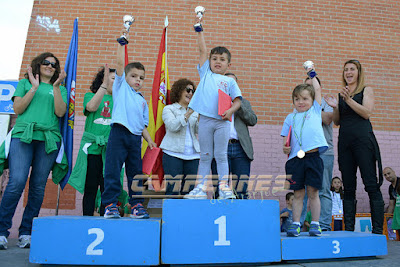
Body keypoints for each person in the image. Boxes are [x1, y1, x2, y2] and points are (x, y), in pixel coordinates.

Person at [0, 52, 67, 249]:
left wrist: (55, 88)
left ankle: (26, 232)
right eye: (46, 63)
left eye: (53, 65)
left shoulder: (59, 89)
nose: (50, 66)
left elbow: (60, 112)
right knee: (17, 182)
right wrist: (34, 88)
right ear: (38, 64)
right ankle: (2, 231)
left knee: (38, 187)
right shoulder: (24, 83)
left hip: (48, 140)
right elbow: (18, 109)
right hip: (23, 136)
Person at [184, 14, 242, 199]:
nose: (217, 61)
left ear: (228, 64)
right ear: (209, 61)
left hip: (222, 122)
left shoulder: (229, 81)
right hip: (206, 121)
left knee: (221, 155)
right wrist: (199, 31)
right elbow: (202, 51)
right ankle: (200, 189)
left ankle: (224, 189)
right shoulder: (206, 74)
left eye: (222, 59)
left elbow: (238, 101)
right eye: (214, 58)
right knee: (205, 156)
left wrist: (230, 111)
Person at [101, 29, 156, 219]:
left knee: (135, 173)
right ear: (125, 77)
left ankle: (136, 205)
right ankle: (110, 204)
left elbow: (143, 126)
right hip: (118, 133)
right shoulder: (120, 87)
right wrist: (121, 45)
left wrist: (149, 141)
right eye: (134, 76)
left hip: (135, 139)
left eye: (141, 78)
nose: (138, 80)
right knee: (113, 170)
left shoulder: (142, 100)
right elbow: (119, 65)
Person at [325, 59, 384, 234]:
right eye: (346, 70)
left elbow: (366, 113)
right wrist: (336, 107)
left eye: (352, 69)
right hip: (345, 143)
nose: (348, 72)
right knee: (348, 187)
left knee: (371, 184)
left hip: (363, 142)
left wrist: (348, 100)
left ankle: (378, 231)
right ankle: (348, 230)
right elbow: (336, 121)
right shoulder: (341, 93)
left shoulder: (366, 90)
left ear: (359, 72)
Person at [281, 64, 328, 237]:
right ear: (293, 101)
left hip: (313, 157)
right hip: (295, 160)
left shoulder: (316, 111)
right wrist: (285, 147)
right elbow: (286, 141)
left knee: (313, 192)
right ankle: (295, 224)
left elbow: (316, 88)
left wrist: (312, 73)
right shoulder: (290, 117)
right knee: (298, 193)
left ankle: (315, 224)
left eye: (305, 99)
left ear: (312, 100)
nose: (301, 102)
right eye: (297, 99)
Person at [68, 66, 116, 216]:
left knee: (107, 189)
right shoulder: (90, 95)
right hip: (93, 149)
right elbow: (91, 107)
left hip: (111, 151)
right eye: (113, 78)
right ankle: (87, 218)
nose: (116, 82)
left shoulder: (120, 101)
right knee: (90, 187)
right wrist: (104, 86)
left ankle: (104, 219)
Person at [211, 73, 257, 199]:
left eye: (233, 84)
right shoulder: (214, 102)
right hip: (221, 147)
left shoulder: (244, 102)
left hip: (240, 147)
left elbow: (253, 120)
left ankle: (240, 217)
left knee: (241, 189)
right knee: (220, 189)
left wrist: (238, 105)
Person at [300, 76, 334, 231]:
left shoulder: (326, 102)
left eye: (312, 85)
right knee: (302, 190)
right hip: (304, 154)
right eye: (306, 86)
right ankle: (298, 224)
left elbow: (327, 119)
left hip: (324, 152)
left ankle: (324, 225)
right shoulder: (300, 104)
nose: (310, 88)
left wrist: (312, 110)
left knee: (323, 190)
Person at [160, 78, 200, 195]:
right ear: (179, 91)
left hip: (192, 156)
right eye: (188, 90)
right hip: (173, 153)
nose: (190, 93)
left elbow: (199, 131)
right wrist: (188, 113)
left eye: (193, 92)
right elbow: (172, 126)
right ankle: (171, 214)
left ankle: (186, 214)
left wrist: (200, 117)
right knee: (172, 190)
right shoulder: (169, 109)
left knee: (189, 191)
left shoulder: (195, 112)